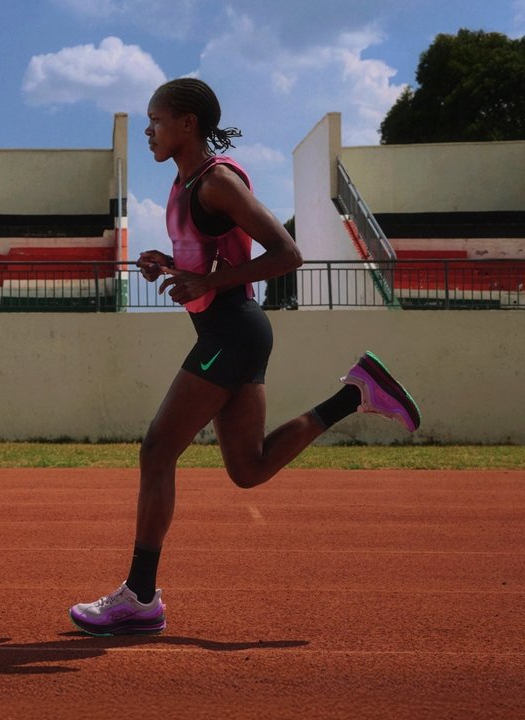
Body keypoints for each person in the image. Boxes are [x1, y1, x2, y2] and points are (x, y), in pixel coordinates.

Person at [68, 78, 421, 636]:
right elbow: (203, 259)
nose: (149, 131)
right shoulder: (184, 185)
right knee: (248, 469)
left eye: (157, 120)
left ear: (189, 124)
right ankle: (356, 393)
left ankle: (139, 595)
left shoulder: (218, 183)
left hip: (231, 332)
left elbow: (289, 255)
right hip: (232, 332)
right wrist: (170, 263)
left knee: (158, 449)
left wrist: (205, 278)